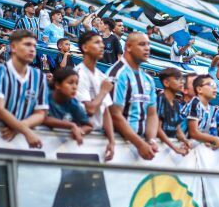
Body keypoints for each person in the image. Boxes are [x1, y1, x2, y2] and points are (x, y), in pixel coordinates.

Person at [0, 30, 49, 148]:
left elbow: (41, 113)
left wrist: (19, 128)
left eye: (34, 46)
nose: (32, 49)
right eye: (27, 45)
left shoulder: (39, 76)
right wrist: (26, 131)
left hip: (23, 143)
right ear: (13, 47)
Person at [107, 32, 158, 160]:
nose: (147, 48)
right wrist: (140, 144)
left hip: (141, 146)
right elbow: (114, 115)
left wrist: (151, 140)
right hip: (119, 145)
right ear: (128, 47)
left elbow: (152, 114)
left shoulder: (148, 79)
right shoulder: (117, 74)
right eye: (142, 44)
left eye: (148, 44)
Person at [75, 31, 115, 161]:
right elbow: (90, 110)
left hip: (97, 136)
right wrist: (103, 91)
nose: (102, 46)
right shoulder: (78, 74)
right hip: (79, 137)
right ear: (85, 48)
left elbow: (105, 111)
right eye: (97, 42)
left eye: (102, 42)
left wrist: (112, 141)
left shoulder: (101, 76)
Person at [43, 68, 92, 145]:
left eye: (76, 83)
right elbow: (43, 118)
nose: (74, 87)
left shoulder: (74, 104)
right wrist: (71, 125)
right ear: (57, 85)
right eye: (70, 83)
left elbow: (89, 125)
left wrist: (80, 131)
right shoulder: (45, 97)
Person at [157, 67, 191, 155]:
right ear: (166, 83)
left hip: (168, 146)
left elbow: (178, 128)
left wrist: (185, 140)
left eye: (182, 79)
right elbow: (157, 129)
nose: (182, 82)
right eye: (177, 79)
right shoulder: (160, 100)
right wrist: (174, 147)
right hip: (159, 147)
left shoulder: (176, 103)